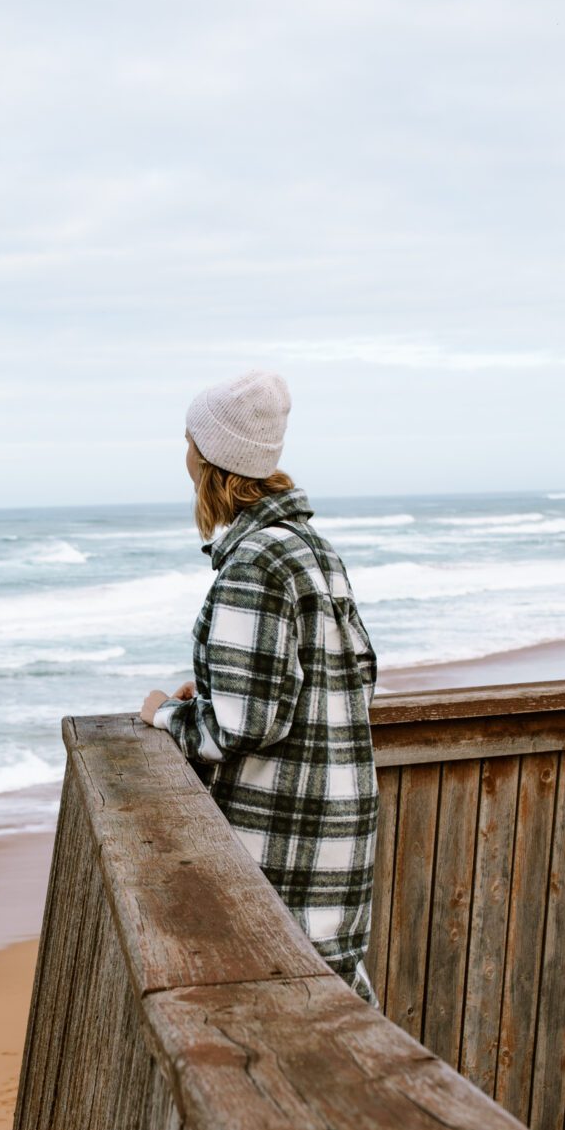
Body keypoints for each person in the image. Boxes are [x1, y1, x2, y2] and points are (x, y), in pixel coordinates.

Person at [140, 371, 380, 1004]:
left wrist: (166, 716)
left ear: (212, 459)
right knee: (333, 1004)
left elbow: (245, 727)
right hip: (340, 821)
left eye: (190, 439)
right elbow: (355, 675)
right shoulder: (311, 549)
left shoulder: (254, 563)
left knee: (289, 1010)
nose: (184, 452)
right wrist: (225, 682)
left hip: (284, 829)